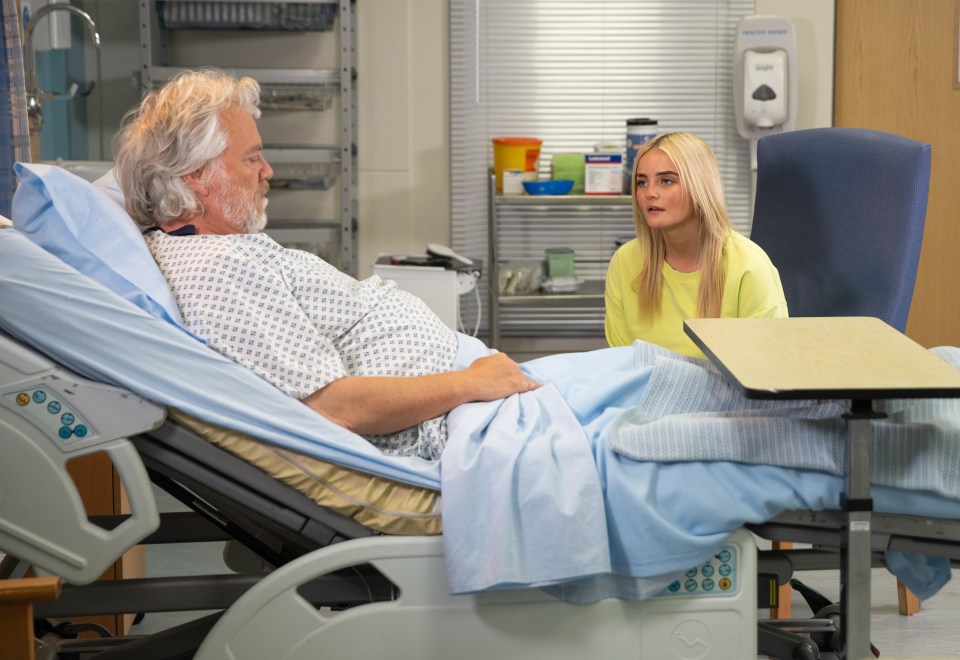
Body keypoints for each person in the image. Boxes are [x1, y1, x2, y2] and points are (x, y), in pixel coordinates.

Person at [113, 68, 539, 462]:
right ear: (195, 176)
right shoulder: (219, 270)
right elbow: (336, 408)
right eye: (252, 158)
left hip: (470, 395)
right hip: (457, 420)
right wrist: (472, 382)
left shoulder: (213, 250)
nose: (268, 171)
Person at [604, 132, 788, 358]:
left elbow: (766, 366)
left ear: (700, 186)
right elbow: (621, 363)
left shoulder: (749, 266)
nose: (649, 193)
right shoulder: (625, 261)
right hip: (645, 392)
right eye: (642, 182)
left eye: (667, 180)